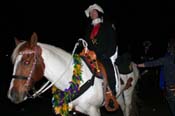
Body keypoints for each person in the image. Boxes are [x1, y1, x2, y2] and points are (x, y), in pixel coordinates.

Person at [83, 3, 118, 96]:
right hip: (92, 56)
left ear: (98, 13)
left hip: (105, 55)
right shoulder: (88, 29)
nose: (92, 13)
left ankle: (112, 91)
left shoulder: (107, 26)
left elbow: (112, 42)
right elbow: (86, 43)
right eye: (91, 13)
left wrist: (107, 54)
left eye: (94, 11)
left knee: (108, 68)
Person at [137, 37, 175, 116]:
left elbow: (154, 61)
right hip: (146, 71)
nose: (146, 46)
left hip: (170, 86)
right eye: (145, 45)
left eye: (147, 45)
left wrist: (140, 64)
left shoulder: (166, 58)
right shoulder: (141, 50)